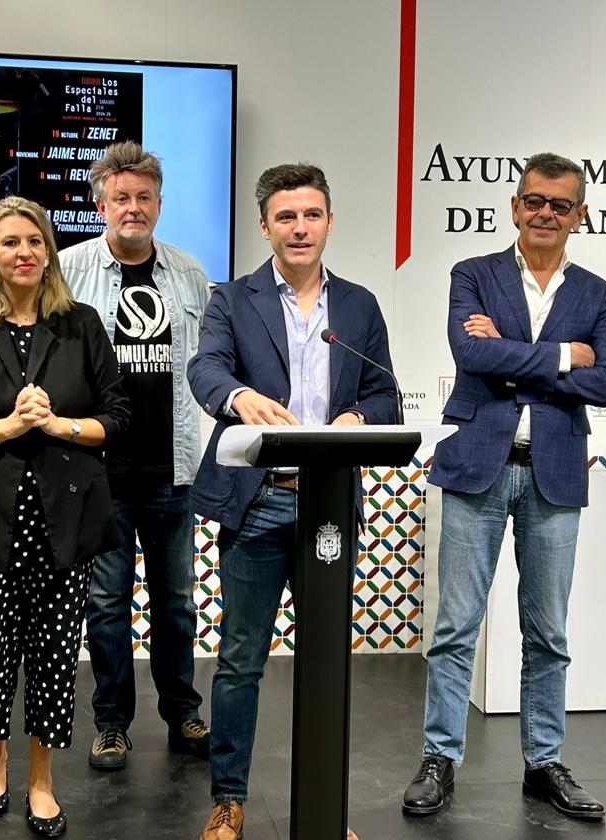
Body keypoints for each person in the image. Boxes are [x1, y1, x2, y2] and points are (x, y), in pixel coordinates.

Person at [401, 153, 606, 821]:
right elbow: (472, 356)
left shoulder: (597, 293)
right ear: (514, 206)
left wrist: (513, 357)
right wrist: (564, 356)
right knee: (456, 627)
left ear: (580, 214)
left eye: (560, 204)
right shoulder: (473, 274)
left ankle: (544, 763)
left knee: (548, 631)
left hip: (552, 473)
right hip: (478, 467)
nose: (545, 213)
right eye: (534, 200)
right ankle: (440, 757)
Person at [188, 163, 397, 840]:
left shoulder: (360, 305)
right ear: (265, 226)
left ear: (329, 221)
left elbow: (384, 394)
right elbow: (206, 369)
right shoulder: (232, 298)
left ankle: (325, 807)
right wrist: (237, 397)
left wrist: (358, 424)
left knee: (326, 660)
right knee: (241, 659)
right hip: (258, 503)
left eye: (311, 215)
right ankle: (228, 800)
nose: (300, 228)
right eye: (286, 217)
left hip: (330, 506)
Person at [0, 196, 130, 838]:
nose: (25, 252)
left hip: (62, 523)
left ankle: (40, 778)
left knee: (55, 654)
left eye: (35, 241)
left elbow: (117, 417)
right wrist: (2, 427)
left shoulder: (82, 324)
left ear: (49, 252)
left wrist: (58, 424)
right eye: (10, 242)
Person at [60, 141, 212, 771]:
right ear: (100, 203)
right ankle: (112, 723)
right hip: (99, 473)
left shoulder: (189, 275)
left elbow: (209, 367)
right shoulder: (68, 272)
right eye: (120, 198)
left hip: (173, 469)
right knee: (107, 603)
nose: (133, 208)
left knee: (176, 602)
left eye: (143, 197)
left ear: (158, 203)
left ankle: (182, 710)